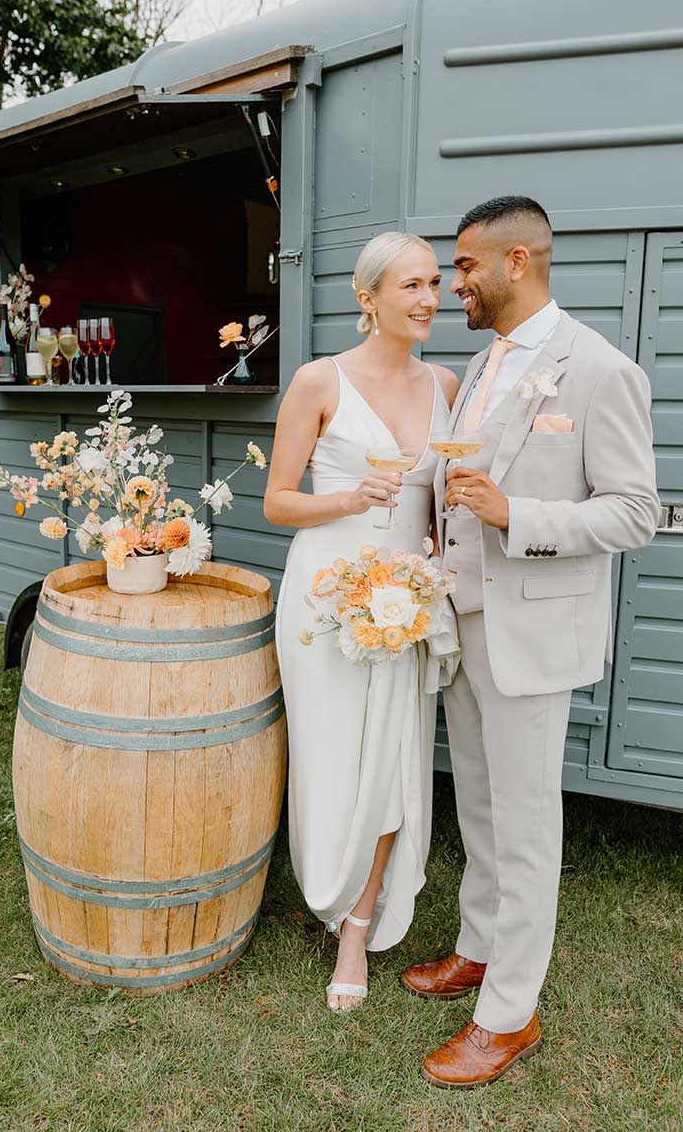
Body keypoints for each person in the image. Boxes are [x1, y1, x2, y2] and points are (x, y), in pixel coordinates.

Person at [402, 196, 660, 1087]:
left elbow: (636, 513)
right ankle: (478, 948)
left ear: (519, 261)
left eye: (466, 265)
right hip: (463, 625)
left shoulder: (598, 369)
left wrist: (517, 515)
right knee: (478, 804)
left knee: (525, 822)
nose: (454, 283)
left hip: (536, 632)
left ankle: (508, 1015)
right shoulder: (479, 365)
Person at [265, 232, 460, 1011]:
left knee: (394, 756)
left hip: (408, 597)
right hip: (325, 595)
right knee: (333, 752)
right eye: (410, 285)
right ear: (367, 296)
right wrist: (349, 498)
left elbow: (445, 502)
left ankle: (359, 920)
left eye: (435, 284)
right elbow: (279, 502)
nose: (427, 300)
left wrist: (443, 556)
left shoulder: (448, 383)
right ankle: (326, 876)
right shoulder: (319, 382)